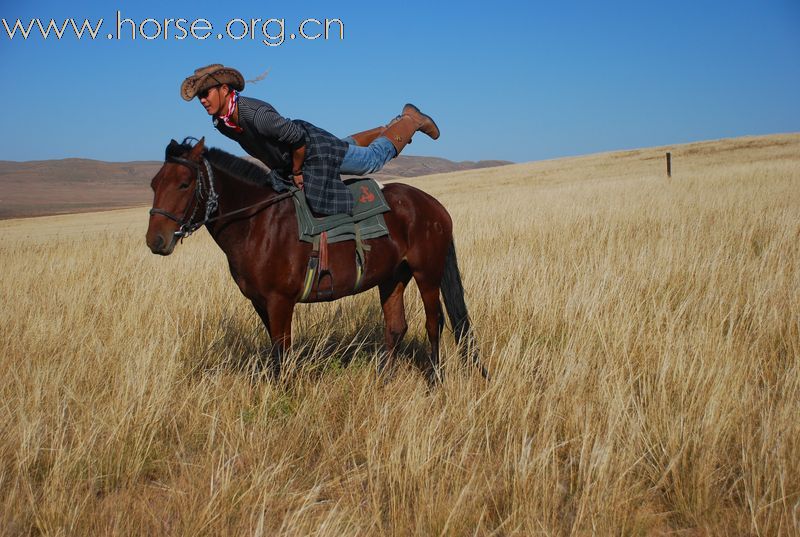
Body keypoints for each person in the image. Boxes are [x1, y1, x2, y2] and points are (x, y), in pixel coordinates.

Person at [180, 64, 439, 216]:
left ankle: (410, 120)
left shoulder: (257, 116)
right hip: (293, 157)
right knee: (342, 148)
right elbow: (261, 148)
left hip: (308, 149)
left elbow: (297, 139)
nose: (202, 100)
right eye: (199, 96)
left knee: (368, 162)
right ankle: (386, 129)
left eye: (206, 93)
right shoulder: (221, 122)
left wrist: (297, 171)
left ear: (225, 90)